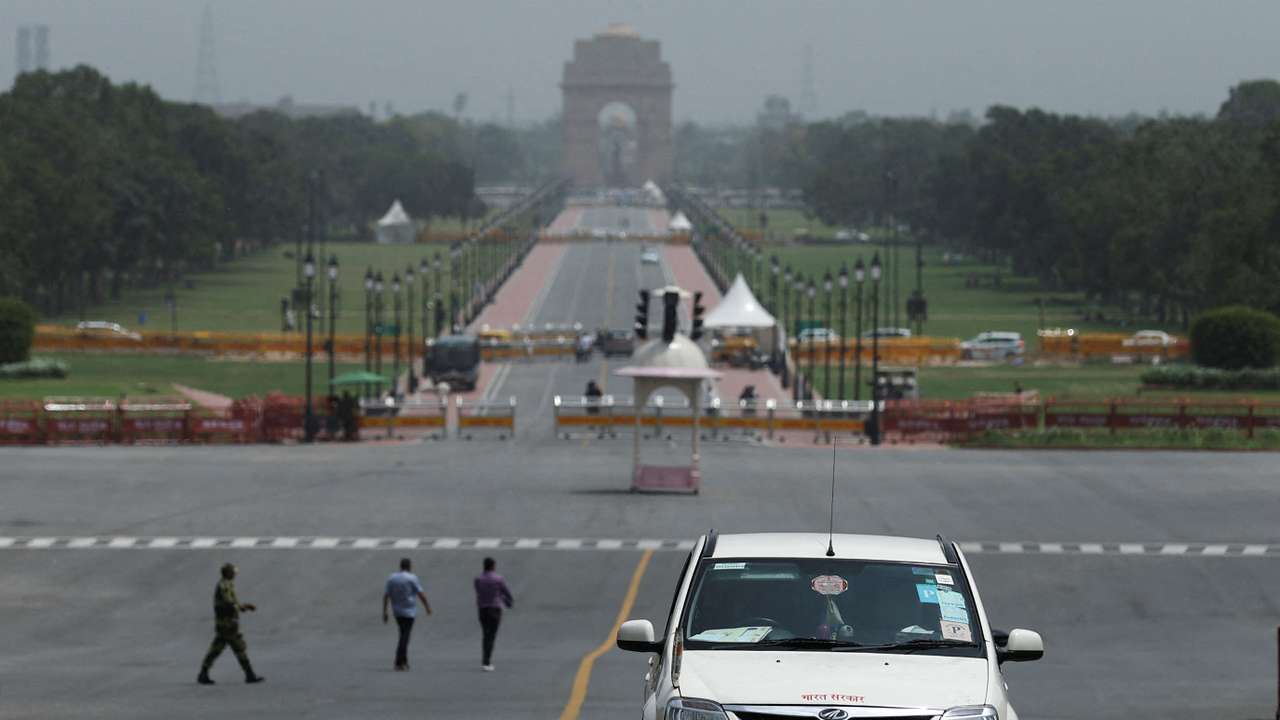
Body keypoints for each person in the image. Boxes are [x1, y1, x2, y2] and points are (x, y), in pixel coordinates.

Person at [197, 563, 265, 685]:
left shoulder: (228, 584)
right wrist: (242, 607)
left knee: (217, 648)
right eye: (233, 572)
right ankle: (249, 674)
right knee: (238, 647)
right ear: (228, 573)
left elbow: (233, 602)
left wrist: (243, 607)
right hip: (226, 624)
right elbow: (229, 602)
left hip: (227, 623)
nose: (235, 574)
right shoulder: (224, 586)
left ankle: (203, 673)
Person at [383, 558, 432, 671]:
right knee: (405, 637)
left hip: (397, 611)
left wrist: (385, 611)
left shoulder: (392, 578)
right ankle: (399, 662)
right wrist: (427, 607)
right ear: (409, 566)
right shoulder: (412, 578)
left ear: (400, 566)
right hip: (409, 611)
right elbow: (421, 594)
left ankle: (404, 661)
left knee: (403, 635)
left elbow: (386, 595)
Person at [474, 557, 514, 671]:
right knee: (491, 636)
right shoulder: (498, 579)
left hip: (482, 609)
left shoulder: (478, 579)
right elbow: (506, 592)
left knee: (486, 635)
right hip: (495, 609)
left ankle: (485, 660)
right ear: (493, 566)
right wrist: (508, 601)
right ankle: (486, 662)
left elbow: (478, 591)